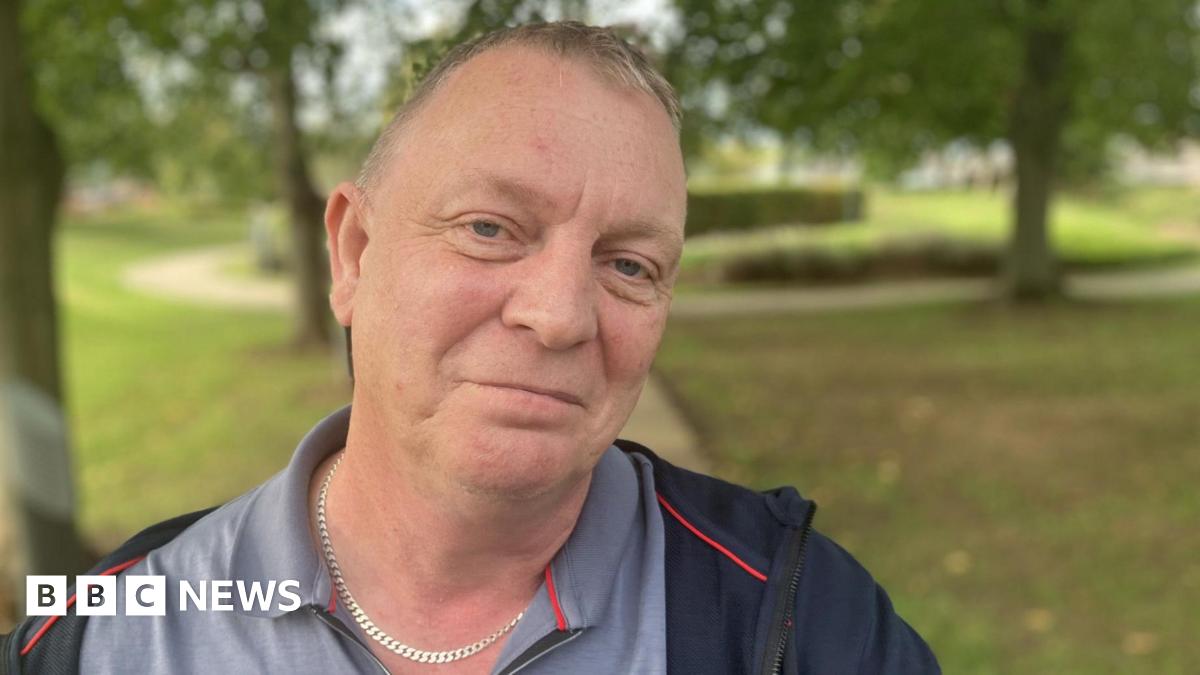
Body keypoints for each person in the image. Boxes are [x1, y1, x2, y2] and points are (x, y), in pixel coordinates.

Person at [3, 21, 939, 674]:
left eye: (629, 264)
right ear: (354, 252)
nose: (560, 316)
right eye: (490, 228)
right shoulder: (99, 630)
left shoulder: (796, 614)